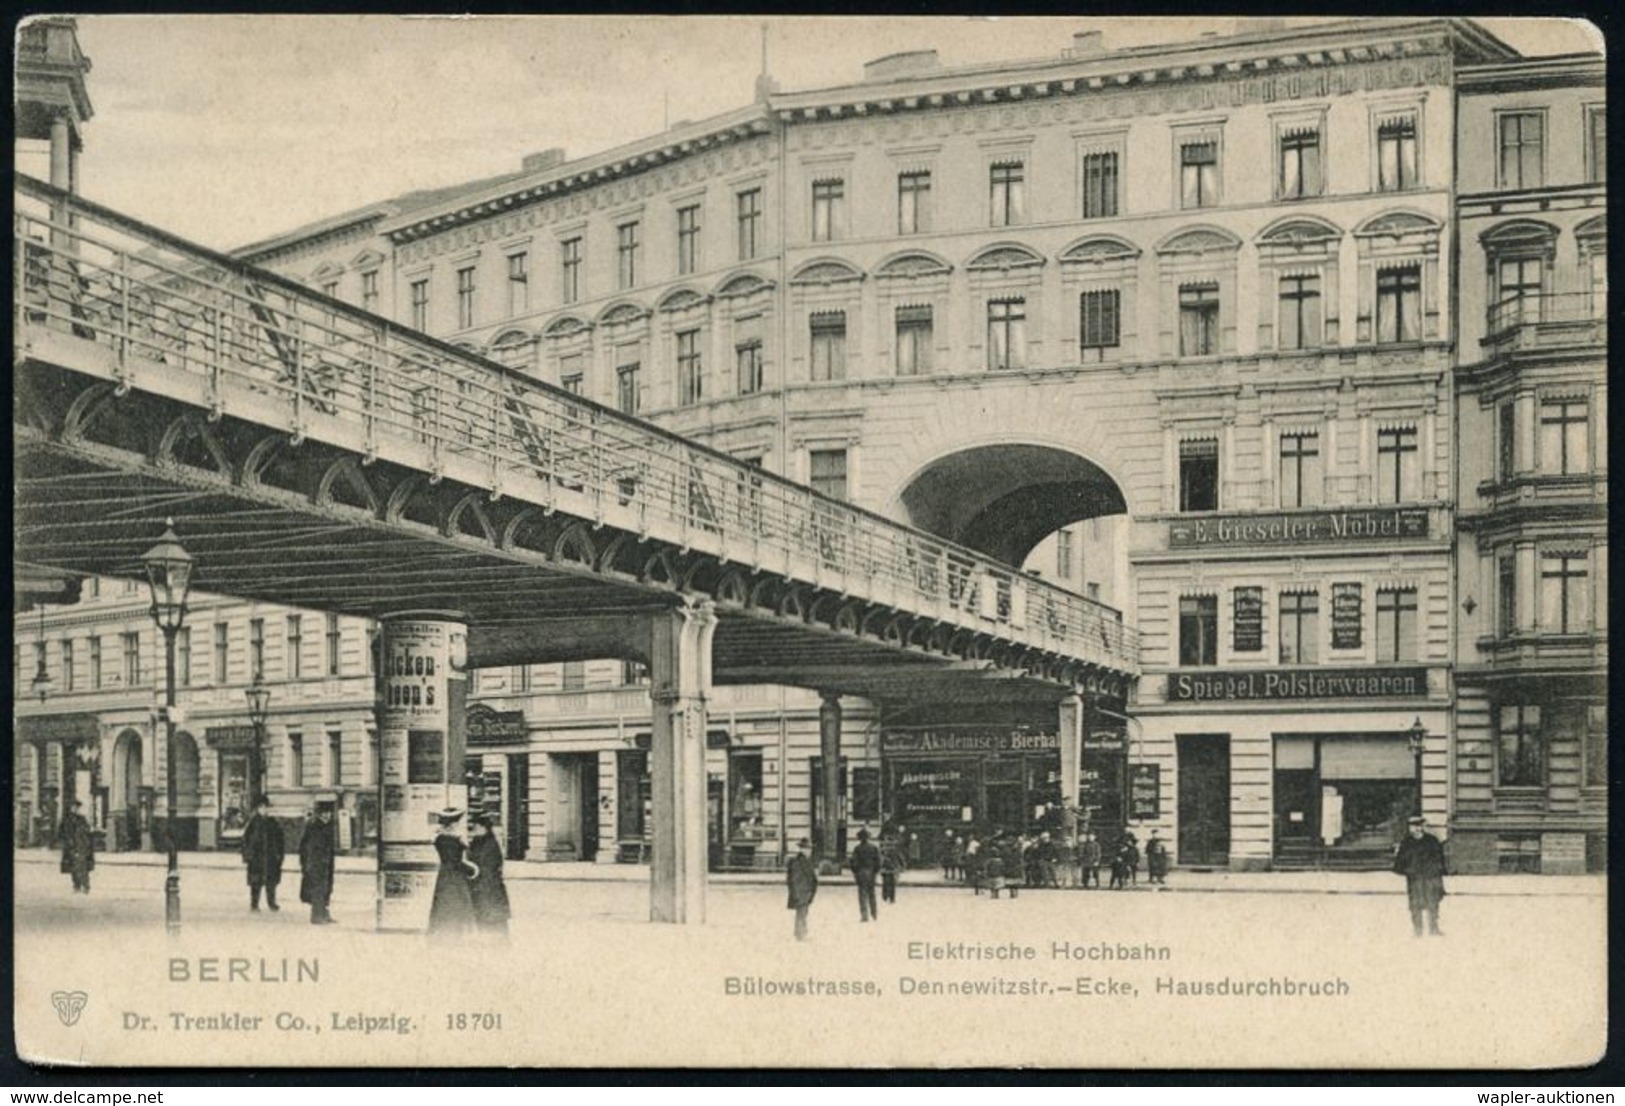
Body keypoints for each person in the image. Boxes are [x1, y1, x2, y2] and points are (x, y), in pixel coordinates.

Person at [1393, 816, 1447, 936]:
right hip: (1415, 878)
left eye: (1419, 826)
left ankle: (1434, 928)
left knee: (1433, 902)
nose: (1417, 829)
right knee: (1415, 904)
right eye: (1414, 827)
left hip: (1430, 877)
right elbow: (1400, 861)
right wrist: (1407, 870)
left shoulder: (1431, 841)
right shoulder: (1406, 843)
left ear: (1423, 827)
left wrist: (1437, 871)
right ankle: (1418, 929)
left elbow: (1439, 858)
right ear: (1409, 828)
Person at [428, 808, 478, 940]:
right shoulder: (454, 840)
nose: (459, 824)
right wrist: (472, 869)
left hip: (444, 874)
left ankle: (443, 933)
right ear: (453, 823)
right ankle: (453, 934)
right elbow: (456, 861)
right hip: (455, 876)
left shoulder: (439, 838)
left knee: (444, 904)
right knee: (456, 903)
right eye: (457, 821)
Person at [466, 814, 511, 937]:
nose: (472, 830)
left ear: (483, 828)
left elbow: (487, 869)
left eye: (475, 826)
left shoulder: (489, 845)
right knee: (484, 923)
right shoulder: (478, 842)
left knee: (493, 924)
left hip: (489, 890)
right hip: (483, 890)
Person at [241, 795, 285, 912]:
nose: (264, 810)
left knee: (271, 882)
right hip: (257, 858)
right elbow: (246, 840)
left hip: (270, 857)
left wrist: (279, 855)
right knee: (256, 883)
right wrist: (247, 855)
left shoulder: (272, 822)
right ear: (257, 809)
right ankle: (254, 904)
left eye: (266, 807)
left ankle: (272, 903)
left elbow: (280, 839)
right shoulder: (253, 823)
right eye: (261, 807)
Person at [298, 806, 337, 924]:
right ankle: (316, 915)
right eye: (325, 813)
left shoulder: (327, 826)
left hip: (325, 862)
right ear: (319, 814)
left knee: (326, 888)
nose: (327, 815)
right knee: (317, 889)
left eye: (329, 813)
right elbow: (308, 847)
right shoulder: (314, 826)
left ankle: (324, 913)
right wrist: (308, 863)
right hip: (316, 862)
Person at [58, 800, 95, 894]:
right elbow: (60, 833)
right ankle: (76, 886)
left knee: (83, 867)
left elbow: (87, 832)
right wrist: (66, 842)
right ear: (70, 808)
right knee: (73, 868)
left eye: (77, 807)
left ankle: (86, 886)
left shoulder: (82, 819)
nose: (75, 809)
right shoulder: (66, 820)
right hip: (70, 847)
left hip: (81, 846)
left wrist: (86, 844)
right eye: (73, 807)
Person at [786, 837, 818, 941]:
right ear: (803, 849)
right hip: (801, 893)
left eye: (810, 849)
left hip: (805, 892)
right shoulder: (798, 862)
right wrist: (797, 894)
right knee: (801, 914)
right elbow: (795, 879)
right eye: (809, 849)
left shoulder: (805, 861)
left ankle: (801, 933)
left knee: (803, 913)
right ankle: (800, 935)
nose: (810, 851)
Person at [849, 827, 882, 922]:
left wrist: (856, 872)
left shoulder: (857, 849)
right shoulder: (874, 848)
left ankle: (864, 916)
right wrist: (875, 871)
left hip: (861, 873)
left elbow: (853, 862)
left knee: (862, 895)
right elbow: (879, 861)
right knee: (872, 894)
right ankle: (874, 914)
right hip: (871, 873)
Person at [879, 830, 903, 905]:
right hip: (892, 869)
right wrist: (902, 866)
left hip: (885, 869)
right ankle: (891, 898)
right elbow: (900, 858)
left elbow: (879, 858)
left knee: (885, 883)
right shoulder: (895, 849)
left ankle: (885, 896)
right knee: (892, 884)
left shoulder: (883, 849)